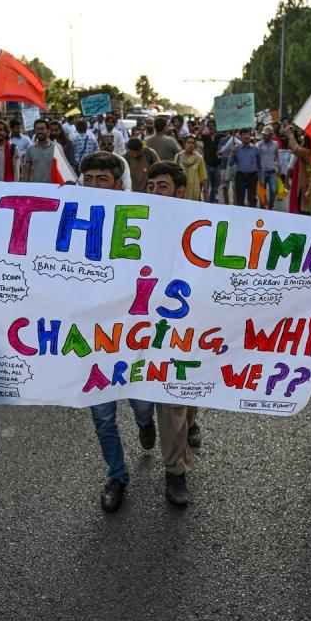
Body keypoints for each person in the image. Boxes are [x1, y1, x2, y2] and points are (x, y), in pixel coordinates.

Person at [76, 153, 157, 512]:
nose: (93, 186)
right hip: (92, 340)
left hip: (133, 337)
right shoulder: (72, 223)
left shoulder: (142, 223)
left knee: (141, 403)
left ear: (119, 185)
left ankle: (145, 422)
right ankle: (117, 475)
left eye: (101, 179)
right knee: (102, 416)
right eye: (88, 179)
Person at [143, 159, 202, 503]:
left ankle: (177, 464)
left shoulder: (203, 225)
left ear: (180, 192)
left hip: (188, 325)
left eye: (161, 187)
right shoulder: (135, 220)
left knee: (181, 394)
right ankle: (175, 466)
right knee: (162, 399)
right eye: (150, 186)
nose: (154, 193)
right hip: (143, 324)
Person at [287, 128, 311, 215]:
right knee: (306, 210)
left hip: (307, 184)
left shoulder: (306, 152)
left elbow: (295, 149)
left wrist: (290, 134)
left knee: (304, 211)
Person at [230, 129, 260, 208]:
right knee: (240, 199)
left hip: (252, 176)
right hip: (240, 176)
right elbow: (230, 163)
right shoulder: (236, 149)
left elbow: (259, 165)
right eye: (244, 134)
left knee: (252, 198)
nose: (247, 136)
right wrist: (232, 153)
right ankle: (241, 217)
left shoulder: (255, 149)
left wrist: (261, 178)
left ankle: (252, 217)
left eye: (248, 134)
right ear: (240, 136)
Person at [22, 119, 57, 184]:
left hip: (53, 187)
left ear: (48, 131)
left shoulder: (57, 148)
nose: (39, 131)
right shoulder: (30, 149)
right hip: (36, 188)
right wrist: (26, 187)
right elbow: (27, 171)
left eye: (42, 129)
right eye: (37, 129)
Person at [175, 134, 208, 202]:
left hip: (194, 190)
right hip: (181, 190)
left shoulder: (199, 158)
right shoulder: (178, 157)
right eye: (188, 142)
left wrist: (205, 191)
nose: (190, 145)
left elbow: (203, 176)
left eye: (193, 143)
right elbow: (174, 173)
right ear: (184, 144)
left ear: (195, 145)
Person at [256, 125, 280, 210]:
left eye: (266, 134)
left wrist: (278, 166)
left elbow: (277, 156)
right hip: (262, 172)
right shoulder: (258, 145)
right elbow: (256, 157)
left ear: (271, 135)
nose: (264, 136)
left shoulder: (275, 144)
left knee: (273, 190)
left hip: (272, 171)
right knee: (262, 192)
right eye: (263, 134)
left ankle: (270, 207)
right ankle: (263, 207)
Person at [199, 120, 222, 203]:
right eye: (209, 125)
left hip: (217, 165)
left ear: (216, 127)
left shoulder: (220, 136)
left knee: (215, 188)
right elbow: (196, 137)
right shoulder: (205, 137)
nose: (211, 127)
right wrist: (201, 128)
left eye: (213, 125)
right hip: (207, 165)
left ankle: (212, 203)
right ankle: (207, 204)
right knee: (206, 188)